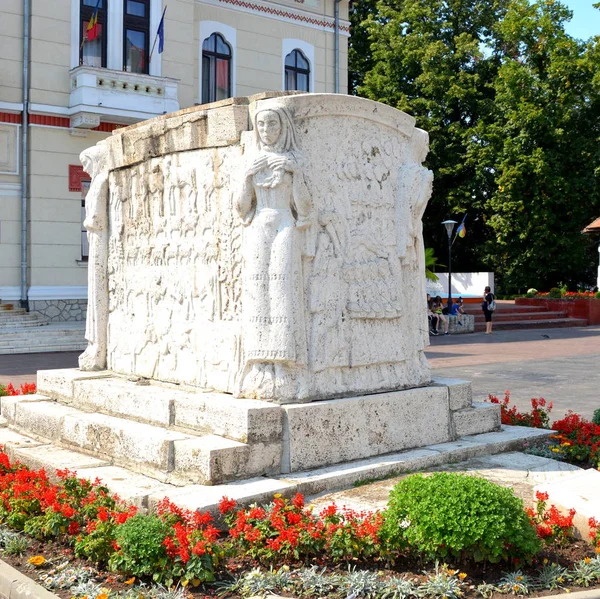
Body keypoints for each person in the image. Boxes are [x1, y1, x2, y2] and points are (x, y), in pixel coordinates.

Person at [235, 105, 312, 401]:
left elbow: (304, 208)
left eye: (273, 124)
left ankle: (287, 366)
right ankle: (259, 365)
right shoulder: (250, 160)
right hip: (258, 226)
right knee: (257, 291)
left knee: (282, 290)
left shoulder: (293, 160)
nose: (267, 131)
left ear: (283, 128)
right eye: (262, 125)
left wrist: (296, 172)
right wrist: (246, 177)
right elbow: (242, 207)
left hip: (284, 223)